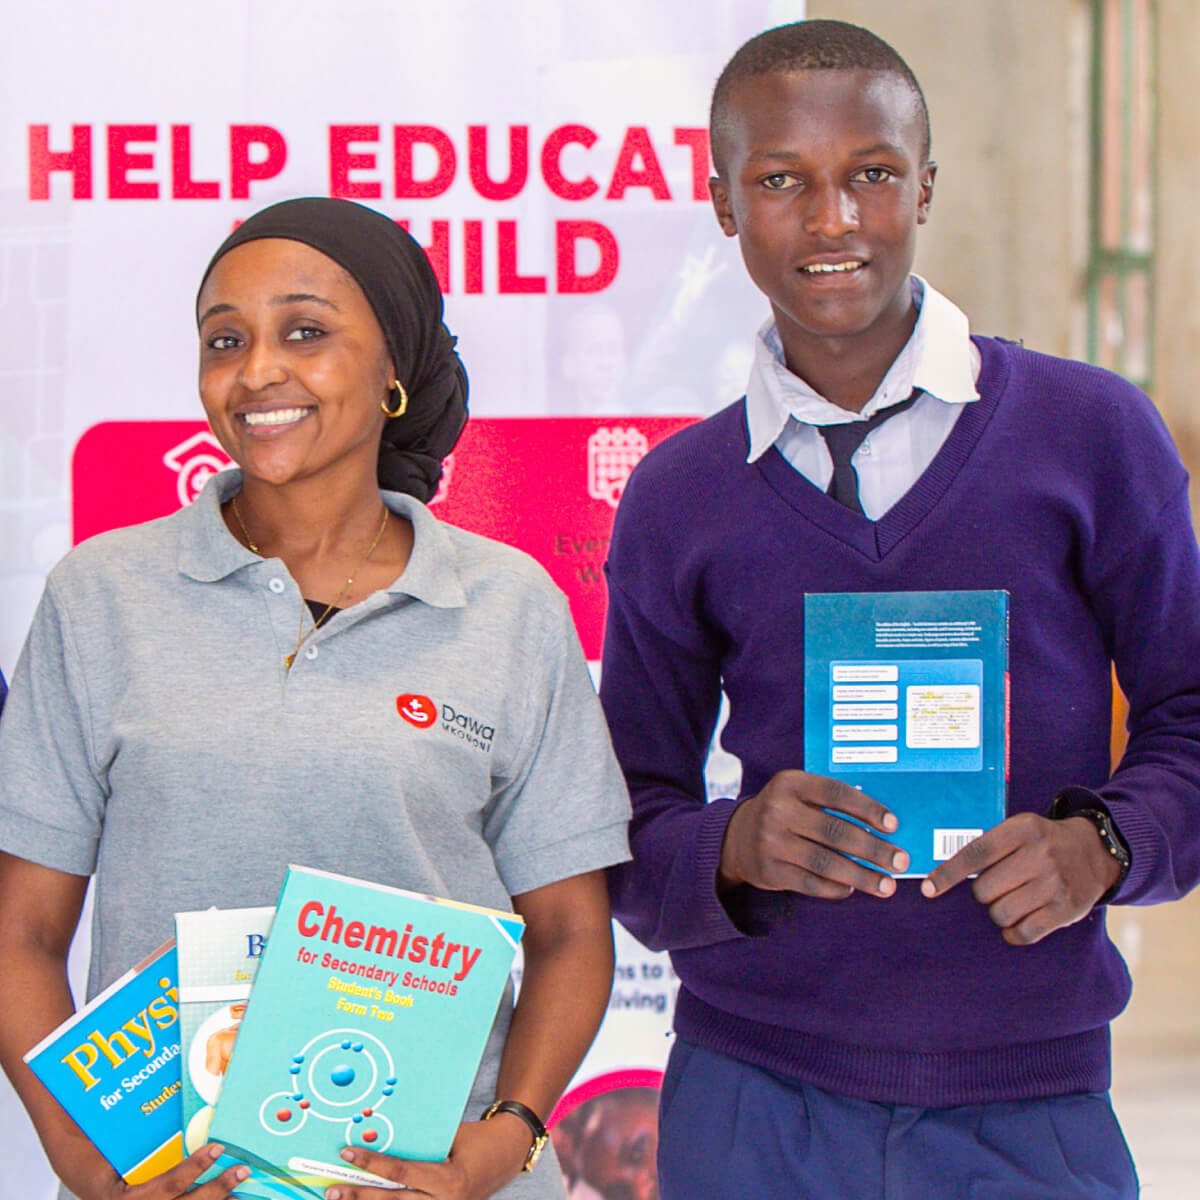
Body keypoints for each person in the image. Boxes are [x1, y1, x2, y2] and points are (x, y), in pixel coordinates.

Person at [599, 20, 1200, 1200]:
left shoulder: (1091, 435)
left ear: (924, 183)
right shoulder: (680, 494)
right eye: (782, 181)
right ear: (722, 203)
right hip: (750, 1095)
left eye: (871, 173)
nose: (833, 221)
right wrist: (733, 844)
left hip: (1029, 1099)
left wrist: (1104, 845)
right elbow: (619, 810)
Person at [0, 197, 630, 1200]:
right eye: (224, 340)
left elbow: (567, 932)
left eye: (305, 331)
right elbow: (21, 934)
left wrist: (501, 1143)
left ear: (394, 368)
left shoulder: (508, 606)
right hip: (178, 1179)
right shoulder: (101, 595)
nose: (256, 372)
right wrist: (95, 1169)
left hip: (440, 1178)